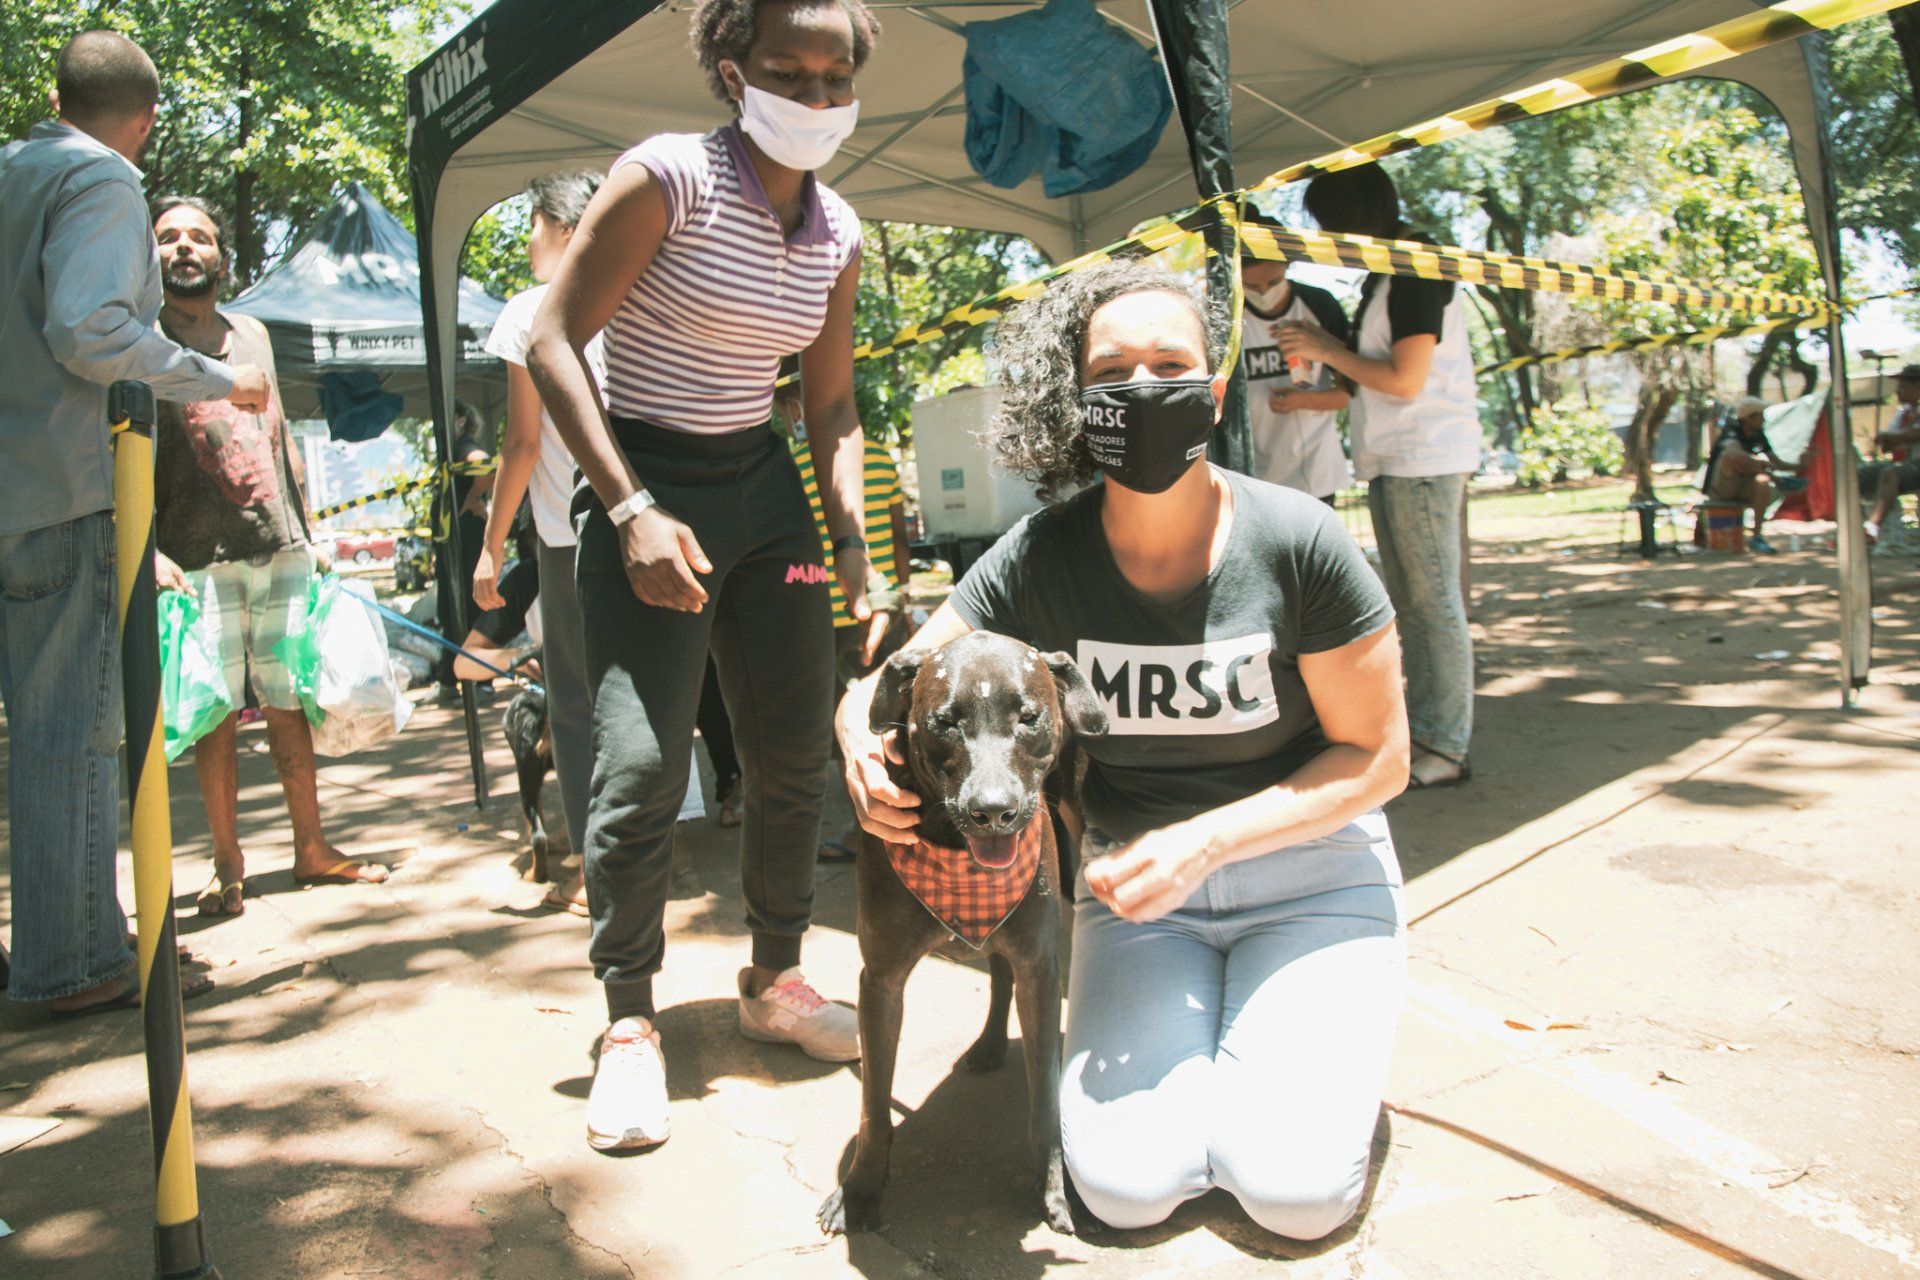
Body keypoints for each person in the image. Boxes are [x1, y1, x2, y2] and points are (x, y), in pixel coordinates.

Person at [839, 261, 1410, 1240]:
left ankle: (1303, 1058)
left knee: (1294, 1193)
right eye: (1111, 373)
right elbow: (897, 673)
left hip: (1311, 875)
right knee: (1123, 1188)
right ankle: (1246, 1064)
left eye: (1170, 365)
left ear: (1215, 391)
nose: (1143, 391)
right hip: (1141, 899)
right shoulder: (1038, 555)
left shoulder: (1300, 540)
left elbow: (1380, 757)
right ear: (1077, 401)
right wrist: (855, 731)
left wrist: (1209, 840)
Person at [527, 0, 883, 1152]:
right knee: (641, 763)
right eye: (789, 70)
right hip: (650, 479)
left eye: (835, 77)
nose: (816, 96)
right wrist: (628, 508)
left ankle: (775, 978)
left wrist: (854, 546)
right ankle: (629, 1021)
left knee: (792, 746)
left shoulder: (839, 231)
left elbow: (831, 400)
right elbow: (549, 339)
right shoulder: (667, 178)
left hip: (765, 495)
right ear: (734, 70)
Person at [0, 31, 270, 1013]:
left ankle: (75, 938)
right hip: (59, 492)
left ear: (55, 98)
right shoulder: (100, 178)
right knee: (69, 734)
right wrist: (214, 377)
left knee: (45, 734)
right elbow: (89, 328)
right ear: (146, 122)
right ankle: (70, 963)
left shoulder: (13, 172)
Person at [147, 194, 390, 917]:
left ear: (221, 258)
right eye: (167, 237)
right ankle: (227, 864)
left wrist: (308, 534)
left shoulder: (251, 333)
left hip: (279, 545)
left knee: (289, 701)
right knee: (214, 714)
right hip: (193, 557)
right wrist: (147, 551)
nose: (183, 247)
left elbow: (281, 438)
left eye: (198, 237)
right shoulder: (140, 341)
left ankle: (311, 847)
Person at [1279, 165, 1478, 788]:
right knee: (1416, 604)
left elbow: (1405, 379)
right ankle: (1428, 734)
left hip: (1423, 458)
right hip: (1398, 459)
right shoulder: (1390, 271)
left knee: (1434, 605)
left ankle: (1445, 745)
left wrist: (1325, 348)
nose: (1328, 239)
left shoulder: (1416, 267)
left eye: (1329, 225)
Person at [478, 169, 606, 909]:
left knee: (576, 704)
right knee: (649, 694)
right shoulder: (638, 293)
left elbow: (522, 444)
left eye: (533, 225)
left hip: (568, 539)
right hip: (653, 522)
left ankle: (593, 868)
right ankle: (643, 855)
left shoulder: (530, 309)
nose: (528, 241)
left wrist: (492, 546)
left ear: (563, 227)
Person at [772, 380, 911, 860]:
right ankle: (901, 815)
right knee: (896, 717)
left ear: (795, 407)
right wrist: (901, 597)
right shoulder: (882, 459)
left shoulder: (795, 467)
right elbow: (899, 537)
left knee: (848, 722)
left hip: (827, 616)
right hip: (885, 607)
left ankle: (866, 832)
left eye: (783, 411)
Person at [1238, 211, 1352, 503]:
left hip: (1317, 472)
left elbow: (1352, 392)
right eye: (1252, 287)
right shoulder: (1229, 316)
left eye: (1274, 281)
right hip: (1256, 477)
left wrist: (1303, 400)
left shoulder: (1319, 305)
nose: (1265, 293)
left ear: (1288, 264)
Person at [434, 400, 494, 701]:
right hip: (454, 544)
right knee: (451, 610)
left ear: (460, 420)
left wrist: (472, 498)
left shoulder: (463, 446)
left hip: (465, 543)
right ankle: (451, 679)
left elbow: (484, 464)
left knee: (466, 609)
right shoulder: (452, 451)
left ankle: (480, 681)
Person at [1703, 396, 1795, 554]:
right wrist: (1759, 461)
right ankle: (1777, 480)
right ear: (1749, 418)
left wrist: (1801, 464)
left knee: (1762, 480)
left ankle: (1756, 536)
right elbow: (1734, 454)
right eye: (1760, 416)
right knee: (1734, 459)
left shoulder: (1758, 434)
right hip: (1723, 487)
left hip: (1745, 486)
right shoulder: (1731, 432)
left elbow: (1776, 462)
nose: (1763, 420)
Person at [1860, 364, 1920, 546]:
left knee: (1891, 473)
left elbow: (1912, 435)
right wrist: (1895, 438)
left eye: (1903, 386)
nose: (1897, 391)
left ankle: (1873, 527)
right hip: (1910, 462)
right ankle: (1855, 524)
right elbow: (1886, 445)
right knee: (1860, 473)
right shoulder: (1904, 413)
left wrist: (1895, 438)